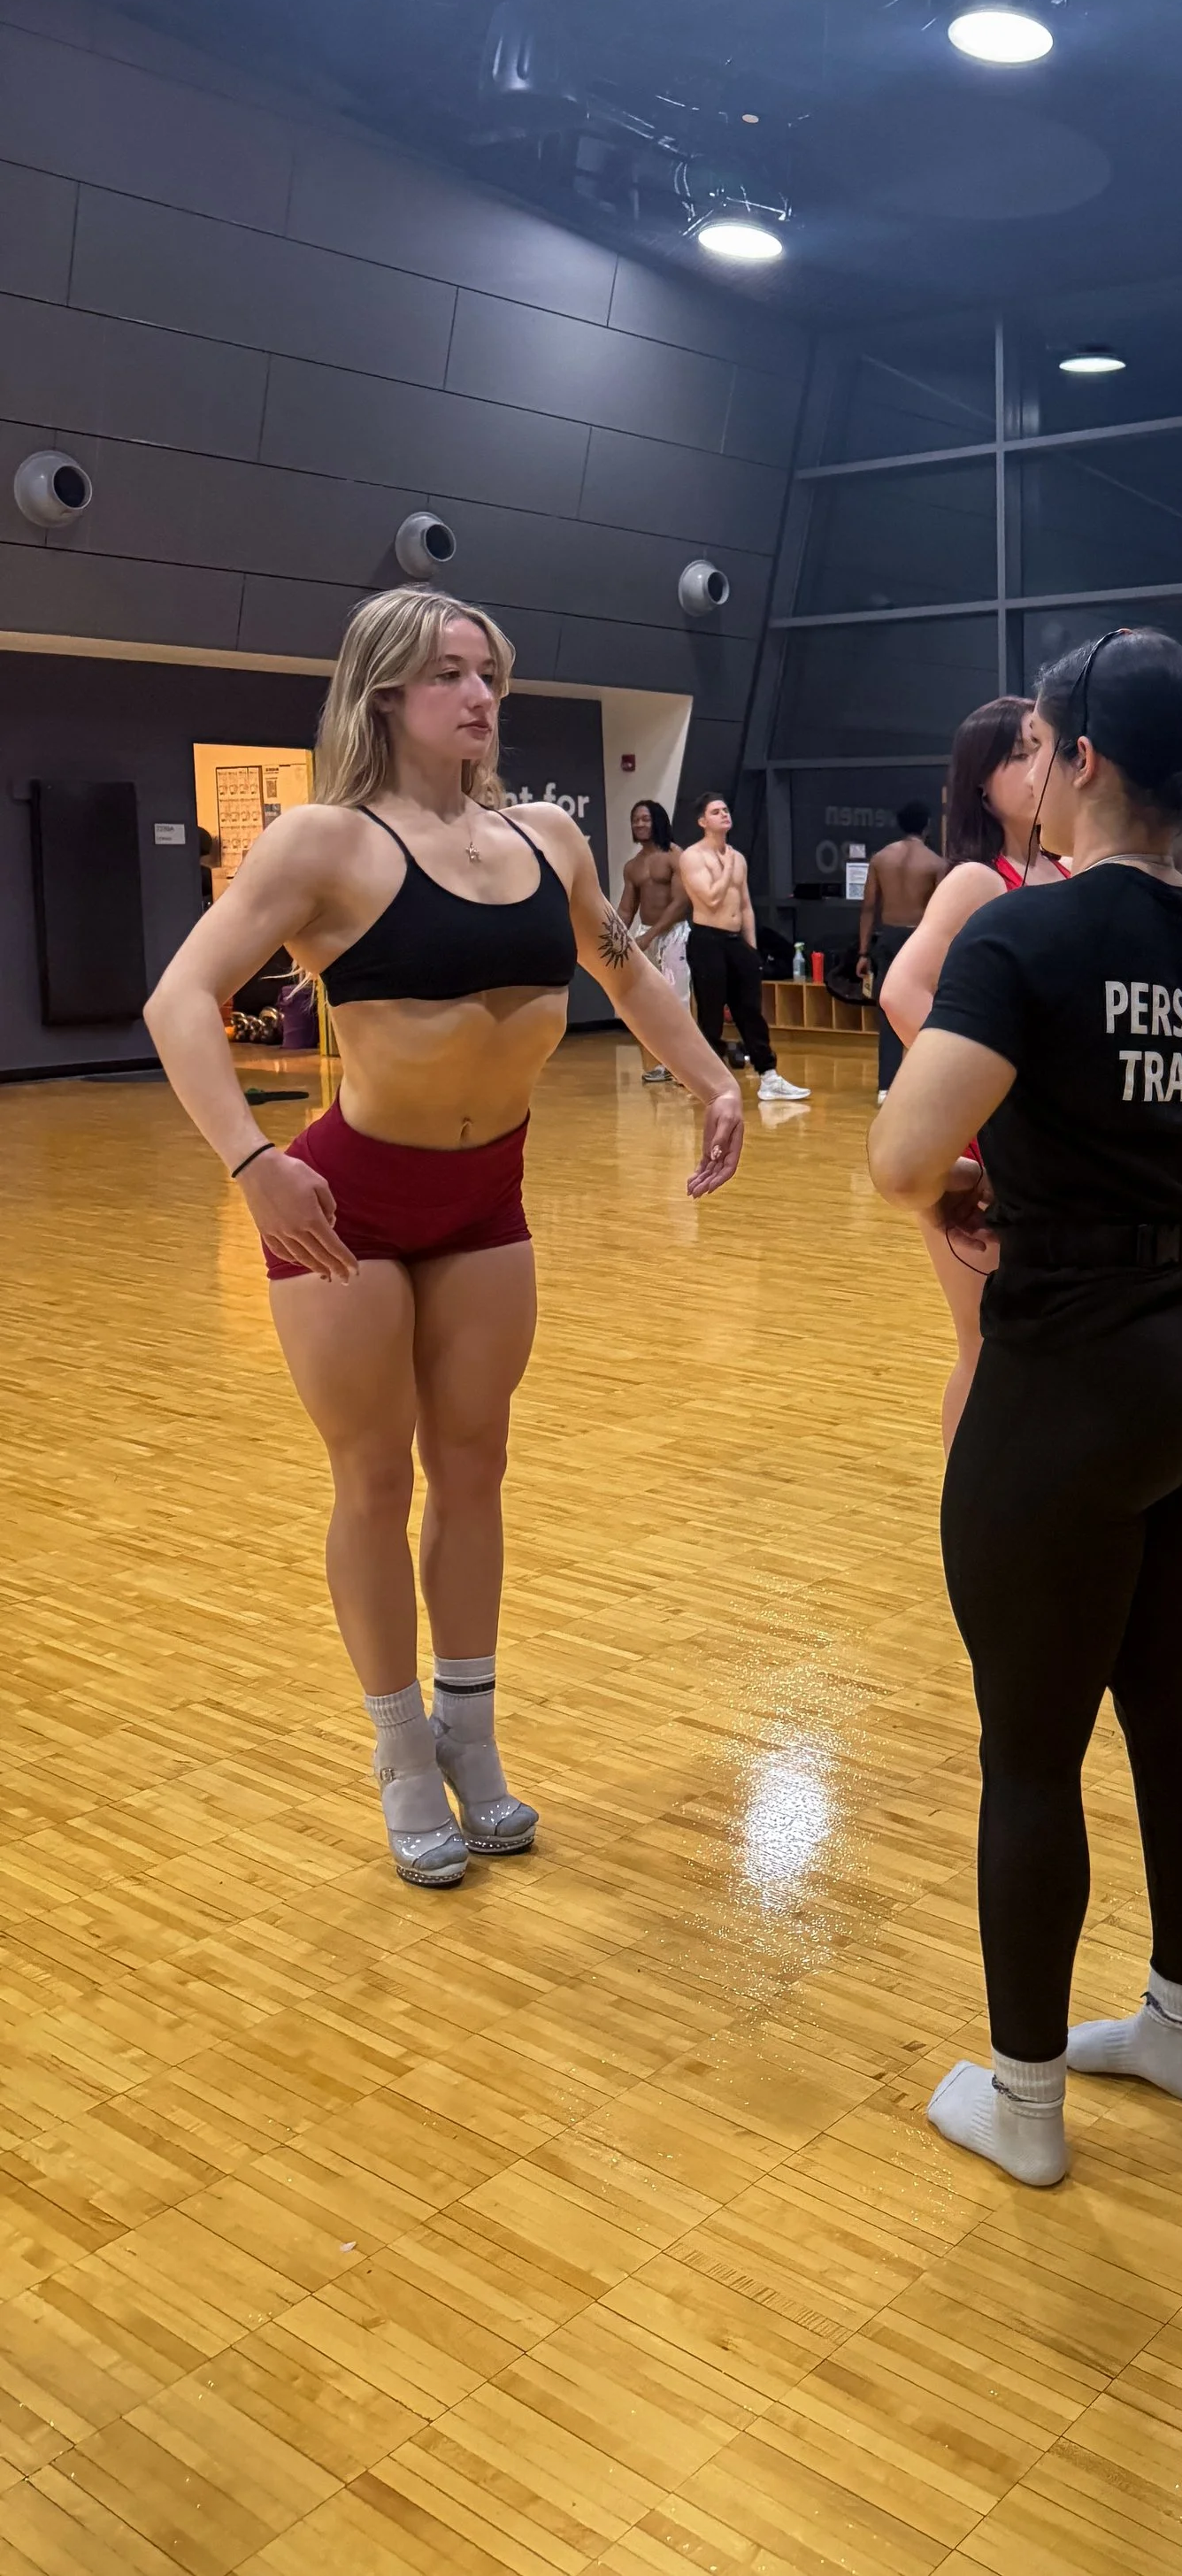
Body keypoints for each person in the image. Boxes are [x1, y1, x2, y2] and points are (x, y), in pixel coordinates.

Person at [142, 588, 745, 1887]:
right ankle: (401, 1752)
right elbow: (178, 998)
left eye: (489, 676)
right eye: (449, 676)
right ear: (384, 695)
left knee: (474, 1465)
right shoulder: (321, 842)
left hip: (487, 1198)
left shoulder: (547, 838)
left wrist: (713, 1079)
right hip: (343, 1207)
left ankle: (470, 1734)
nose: (479, 698)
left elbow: (626, 969)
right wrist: (251, 1164)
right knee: (373, 1476)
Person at [868, 627, 1182, 2190]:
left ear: (1086, 759)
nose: (1028, 771)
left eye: (1040, 744)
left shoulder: (1024, 936)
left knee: (1031, 1751)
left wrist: (1007, 1167)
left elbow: (905, 1158)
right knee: (1175, 1710)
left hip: (1074, 1371)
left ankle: (1024, 2104)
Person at [878, 698, 1063, 1446]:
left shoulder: (1072, 870)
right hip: (988, 1144)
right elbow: (901, 991)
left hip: (1053, 1146)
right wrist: (987, 1084)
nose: (1037, 765)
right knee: (985, 1346)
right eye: (1018, 753)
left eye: (1041, 746)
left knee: (1044, 1347)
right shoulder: (978, 880)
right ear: (980, 784)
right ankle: (968, 1507)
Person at [680, 795, 809, 1103]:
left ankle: (769, 1076)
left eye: (725, 810)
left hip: (735, 940)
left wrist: (751, 950)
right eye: (716, 812)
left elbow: (745, 905)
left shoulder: (738, 857)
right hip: (707, 940)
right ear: (702, 821)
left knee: (750, 1011)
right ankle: (710, 1082)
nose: (724, 814)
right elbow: (711, 898)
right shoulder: (693, 856)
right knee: (711, 1013)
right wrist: (726, 867)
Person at [856, 800, 946, 1103]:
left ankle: (886, 1086)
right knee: (929, 1011)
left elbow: (868, 907)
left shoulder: (881, 858)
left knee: (889, 1012)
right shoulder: (936, 863)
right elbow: (942, 911)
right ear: (927, 826)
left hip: (890, 938)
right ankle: (928, 1083)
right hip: (921, 939)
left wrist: (863, 952)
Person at [618, 800, 690, 1082]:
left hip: (674, 934)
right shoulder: (632, 866)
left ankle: (686, 1066)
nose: (639, 824)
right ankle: (666, 1063)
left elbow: (681, 903)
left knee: (677, 1000)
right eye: (635, 819)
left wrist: (649, 935)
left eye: (645, 819)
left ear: (657, 821)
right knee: (654, 1003)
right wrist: (615, 940)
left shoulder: (674, 856)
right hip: (646, 936)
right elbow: (626, 910)